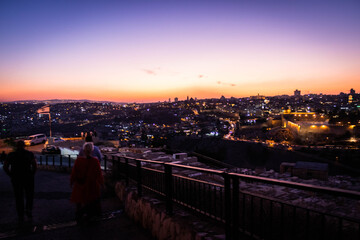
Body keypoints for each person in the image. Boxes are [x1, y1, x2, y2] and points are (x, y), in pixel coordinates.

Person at [3, 141, 37, 222]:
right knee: (29, 195)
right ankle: (28, 210)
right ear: (24, 146)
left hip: (16, 179)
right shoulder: (29, 154)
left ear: (16, 146)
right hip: (28, 178)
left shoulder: (11, 155)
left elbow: (5, 166)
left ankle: (20, 214)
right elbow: (34, 165)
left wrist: (11, 175)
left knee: (18, 197)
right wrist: (32, 174)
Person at [70, 142, 103, 223]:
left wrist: (71, 182)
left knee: (79, 200)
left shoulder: (78, 161)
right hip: (92, 185)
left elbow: (74, 172)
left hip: (80, 184)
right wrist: (102, 183)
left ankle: (79, 215)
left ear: (83, 150)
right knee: (91, 200)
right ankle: (90, 215)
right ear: (92, 150)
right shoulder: (95, 161)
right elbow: (99, 174)